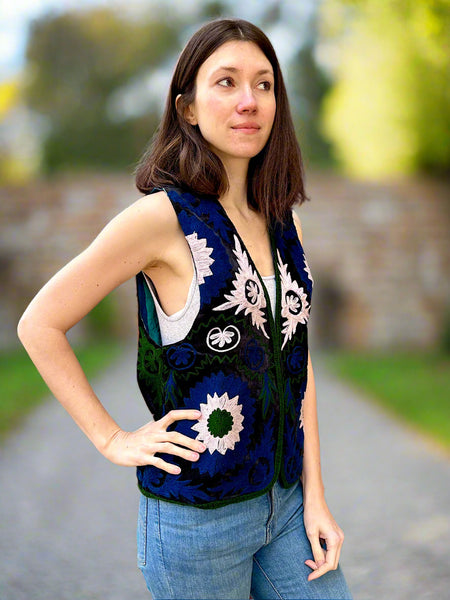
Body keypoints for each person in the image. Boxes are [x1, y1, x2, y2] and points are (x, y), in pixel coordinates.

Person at [18, 17, 352, 600]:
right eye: (226, 82)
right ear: (189, 108)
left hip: (287, 507)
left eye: (264, 84)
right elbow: (39, 324)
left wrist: (316, 498)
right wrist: (113, 439)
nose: (249, 100)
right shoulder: (161, 219)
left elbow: (297, 365)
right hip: (198, 525)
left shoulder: (282, 220)